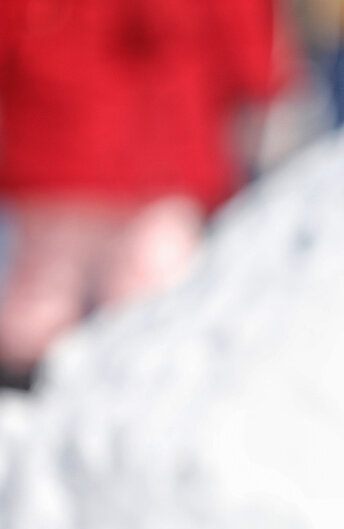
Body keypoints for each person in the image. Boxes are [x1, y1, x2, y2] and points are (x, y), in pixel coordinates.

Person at [0, 0, 298, 390]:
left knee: (46, 302)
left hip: (63, 149)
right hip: (150, 148)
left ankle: (27, 414)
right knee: (151, 307)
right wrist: (266, 85)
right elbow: (236, 21)